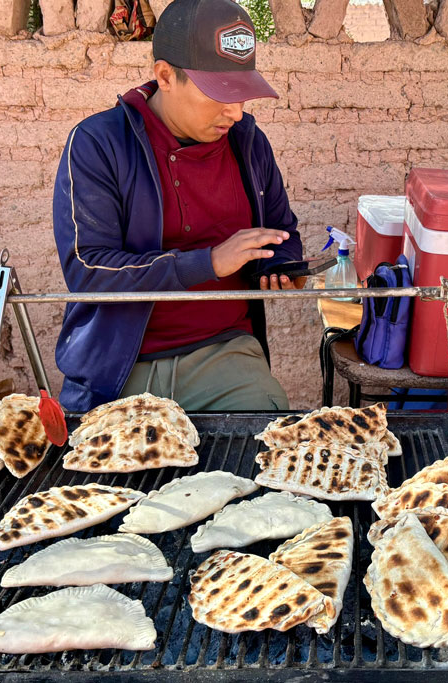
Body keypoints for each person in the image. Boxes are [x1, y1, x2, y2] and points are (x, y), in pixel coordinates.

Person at [52, 0, 303, 413]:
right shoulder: (99, 143)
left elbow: (281, 230)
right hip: (120, 364)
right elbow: (87, 269)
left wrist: (280, 265)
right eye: (221, 94)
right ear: (165, 76)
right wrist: (206, 262)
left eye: (242, 94)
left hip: (224, 352)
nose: (236, 113)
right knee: (106, 472)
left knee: (263, 453)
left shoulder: (249, 143)